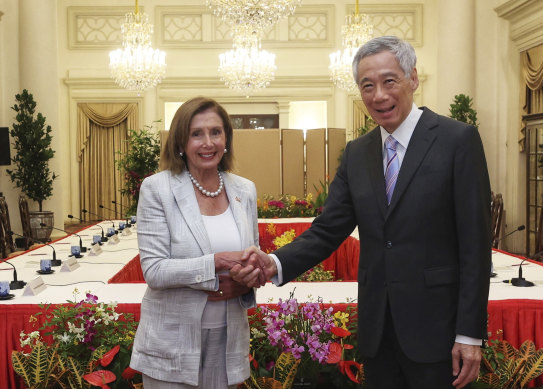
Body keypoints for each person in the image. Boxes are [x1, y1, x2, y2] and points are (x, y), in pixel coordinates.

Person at [232, 36, 492, 389]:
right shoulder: (357, 153)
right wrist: (273, 263)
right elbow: (328, 229)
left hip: (438, 332)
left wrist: (470, 334)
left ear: (412, 78)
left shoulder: (457, 140)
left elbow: (475, 246)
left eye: (389, 81)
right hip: (377, 332)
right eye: (367, 86)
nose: (378, 96)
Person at [130, 97, 258, 388]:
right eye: (196, 134)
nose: (208, 142)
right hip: (171, 344)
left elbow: (252, 257)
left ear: (226, 139)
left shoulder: (244, 190)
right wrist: (217, 263)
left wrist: (247, 280)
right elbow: (155, 270)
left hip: (228, 341)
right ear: (180, 142)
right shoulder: (157, 189)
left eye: (216, 132)